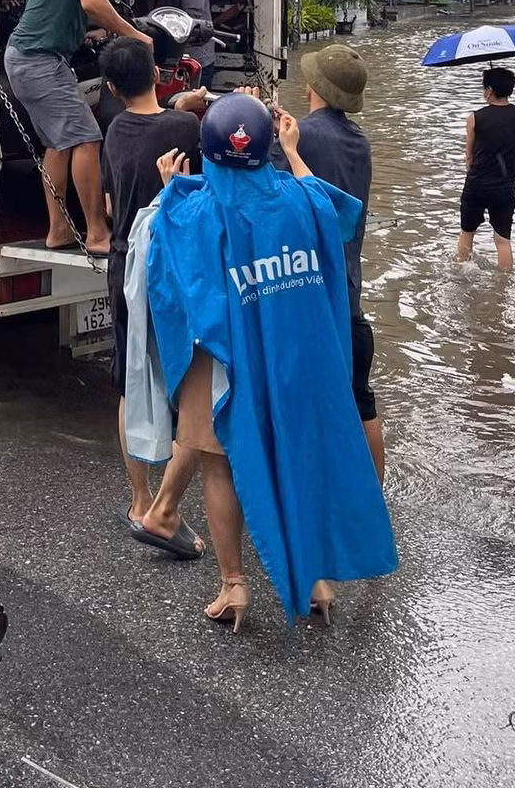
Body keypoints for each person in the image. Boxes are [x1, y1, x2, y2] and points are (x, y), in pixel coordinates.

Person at [126, 93, 396, 632]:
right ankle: (315, 578)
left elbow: (171, 269)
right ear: (268, 145)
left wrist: (166, 188)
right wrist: (294, 154)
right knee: (297, 456)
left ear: (209, 155)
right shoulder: (301, 199)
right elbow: (337, 215)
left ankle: (234, 585)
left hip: (224, 362)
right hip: (295, 357)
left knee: (221, 467)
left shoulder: (195, 211)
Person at [99, 37, 205, 559]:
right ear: (160, 74)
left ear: (113, 88)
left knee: (131, 378)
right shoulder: (186, 128)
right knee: (189, 382)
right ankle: (169, 502)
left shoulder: (115, 129)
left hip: (125, 263)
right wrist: (187, 105)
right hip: (176, 263)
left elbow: (111, 200)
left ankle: (139, 501)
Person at [4, 0, 151, 256]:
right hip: (38, 60)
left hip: (27, 57)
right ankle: (98, 234)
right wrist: (133, 34)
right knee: (86, 137)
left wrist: (90, 30)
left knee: (59, 142)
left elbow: (71, 6)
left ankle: (58, 231)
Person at [269, 45, 384, 483]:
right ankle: (375, 490)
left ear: (314, 85)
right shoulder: (361, 142)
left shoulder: (305, 139)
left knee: (300, 402)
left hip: (306, 295)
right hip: (349, 294)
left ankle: (307, 491)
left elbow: (272, 191)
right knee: (360, 399)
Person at [457, 66, 515, 272]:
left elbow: (469, 154)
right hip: (506, 185)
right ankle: (504, 284)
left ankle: (461, 275)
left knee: (467, 232)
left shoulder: (475, 117)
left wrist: (471, 169)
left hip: (478, 183)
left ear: (489, 90)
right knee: (503, 239)